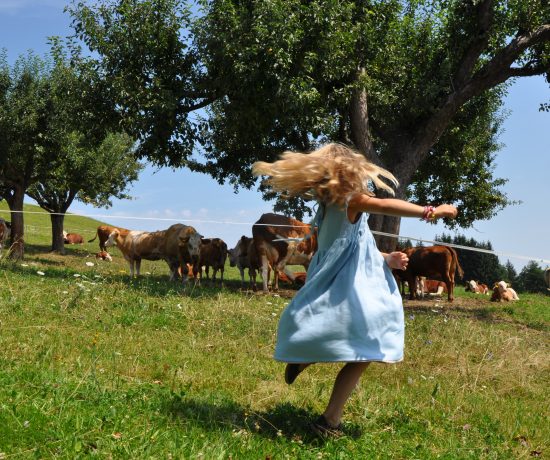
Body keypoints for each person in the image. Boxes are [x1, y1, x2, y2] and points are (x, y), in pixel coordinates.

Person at [252, 143, 458, 437]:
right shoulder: (351, 201)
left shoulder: (326, 210)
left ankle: (317, 387)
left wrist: (386, 259)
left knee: (363, 349)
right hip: (350, 288)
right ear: (351, 173)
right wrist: (432, 211)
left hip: (338, 285)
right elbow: (386, 205)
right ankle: (329, 419)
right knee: (369, 347)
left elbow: (350, 247)